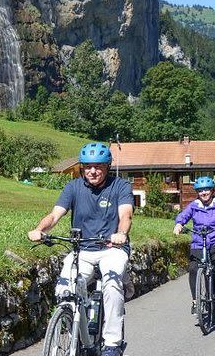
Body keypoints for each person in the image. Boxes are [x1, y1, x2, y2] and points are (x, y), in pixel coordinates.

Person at [28, 142, 133, 356]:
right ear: (82, 168)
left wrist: (121, 234)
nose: (92, 171)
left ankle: (112, 343)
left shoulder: (120, 186)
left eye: (98, 166)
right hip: (82, 250)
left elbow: (126, 215)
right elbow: (55, 215)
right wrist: (39, 230)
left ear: (107, 167)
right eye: (87, 167)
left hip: (111, 248)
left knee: (112, 287)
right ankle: (72, 327)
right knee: (64, 289)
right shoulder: (73, 187)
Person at [173, 176, 215, 315]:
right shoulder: (194, 205)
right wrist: (179, 224)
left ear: (213, 190)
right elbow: (184, 215)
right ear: (197, 192)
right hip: (199, 241)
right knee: (193, 268)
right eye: (201, 190)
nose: (204, 193)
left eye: (207, 190)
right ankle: (196, 301)